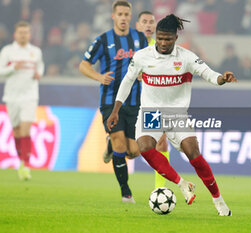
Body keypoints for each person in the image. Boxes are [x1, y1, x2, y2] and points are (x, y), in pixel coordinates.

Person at [107, 14, 237, 216]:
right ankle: (182, 184)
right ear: (156, 37)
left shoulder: (186, 57)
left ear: (176, 38)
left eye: (168, 39)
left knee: (194, 155)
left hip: (177, 113)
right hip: (151, 112)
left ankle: (219, 201)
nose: (163, 42)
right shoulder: (143, 56)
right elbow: (127, 81)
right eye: (160, 38)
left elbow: (208, 73)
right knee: (145, 147)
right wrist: (115, 109)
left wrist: (222, 79)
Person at [79, 0, 148, 203]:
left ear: (130, 17)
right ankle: (126, 192)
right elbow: (84, 65)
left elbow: (151, 62)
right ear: (113, 16)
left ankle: (110, 146)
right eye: (120, 14)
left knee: (134, 151)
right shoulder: (103, 40)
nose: (124, 18)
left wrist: (144, 73)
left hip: (134, 102)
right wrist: (99, 77)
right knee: (120, 144)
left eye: (127, 14)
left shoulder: (141, 39)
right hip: (110, 101)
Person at [0, 21, 44, 180]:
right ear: (15, 34)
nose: (23, 35)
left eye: (26, 32)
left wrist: (39, 73)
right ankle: (21, 162)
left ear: (29, 34)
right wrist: (13, 68)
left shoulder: (36, 52)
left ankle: (26, 165)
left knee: (26, 129)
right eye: (20, 32)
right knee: (17, 131)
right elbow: (0, 71)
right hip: (12, 96)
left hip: (30, 96)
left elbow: (40, 66)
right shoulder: (7, 51)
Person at [136, 10, 170, 189]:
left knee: (161, 141)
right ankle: (114, 145)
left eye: (151, 22)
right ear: (137, 25)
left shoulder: (160, 46)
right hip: (130, 102)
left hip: (154, 101)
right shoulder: (129, 47)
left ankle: (160, 187)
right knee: (130, 150)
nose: (148, 25)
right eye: (144, 21)